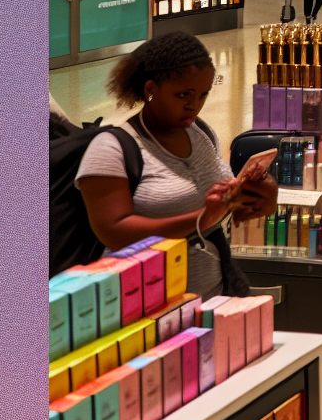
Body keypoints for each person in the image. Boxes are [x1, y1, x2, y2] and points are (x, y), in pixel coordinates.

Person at [75, 33, 279, 301]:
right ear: (150, 90)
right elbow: (113, 231)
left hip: (212, 302)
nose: (194, 105)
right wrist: (201, 218)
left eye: (203, 94)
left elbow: (220, 206)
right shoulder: (111, 149)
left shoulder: (201, 132)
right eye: (183, 94)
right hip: (143, 315)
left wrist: (256, 196)